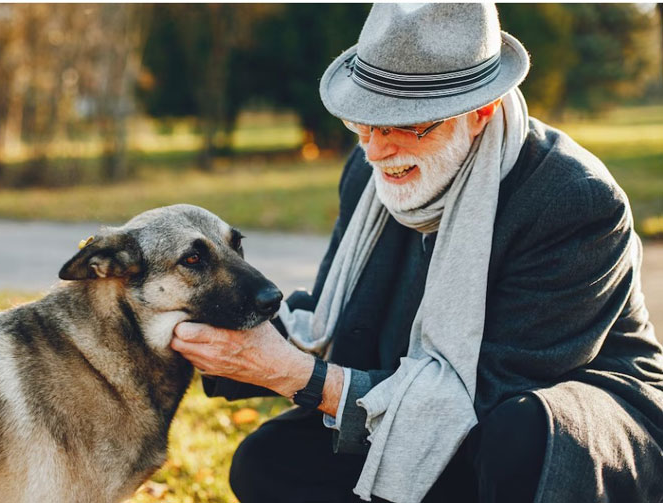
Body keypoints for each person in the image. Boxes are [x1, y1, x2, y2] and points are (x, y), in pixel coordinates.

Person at [170, 4, 663, 503]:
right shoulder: (368, 175)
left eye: (406, 124)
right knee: (267, 462)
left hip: (557, 425)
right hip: (421, 400)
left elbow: (487, 398)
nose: (377, 149)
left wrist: (293, 372)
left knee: (522, 435)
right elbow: (338, 324)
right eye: (364, 121)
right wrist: (207, 321)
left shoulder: (573, 200)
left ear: (480, 112)